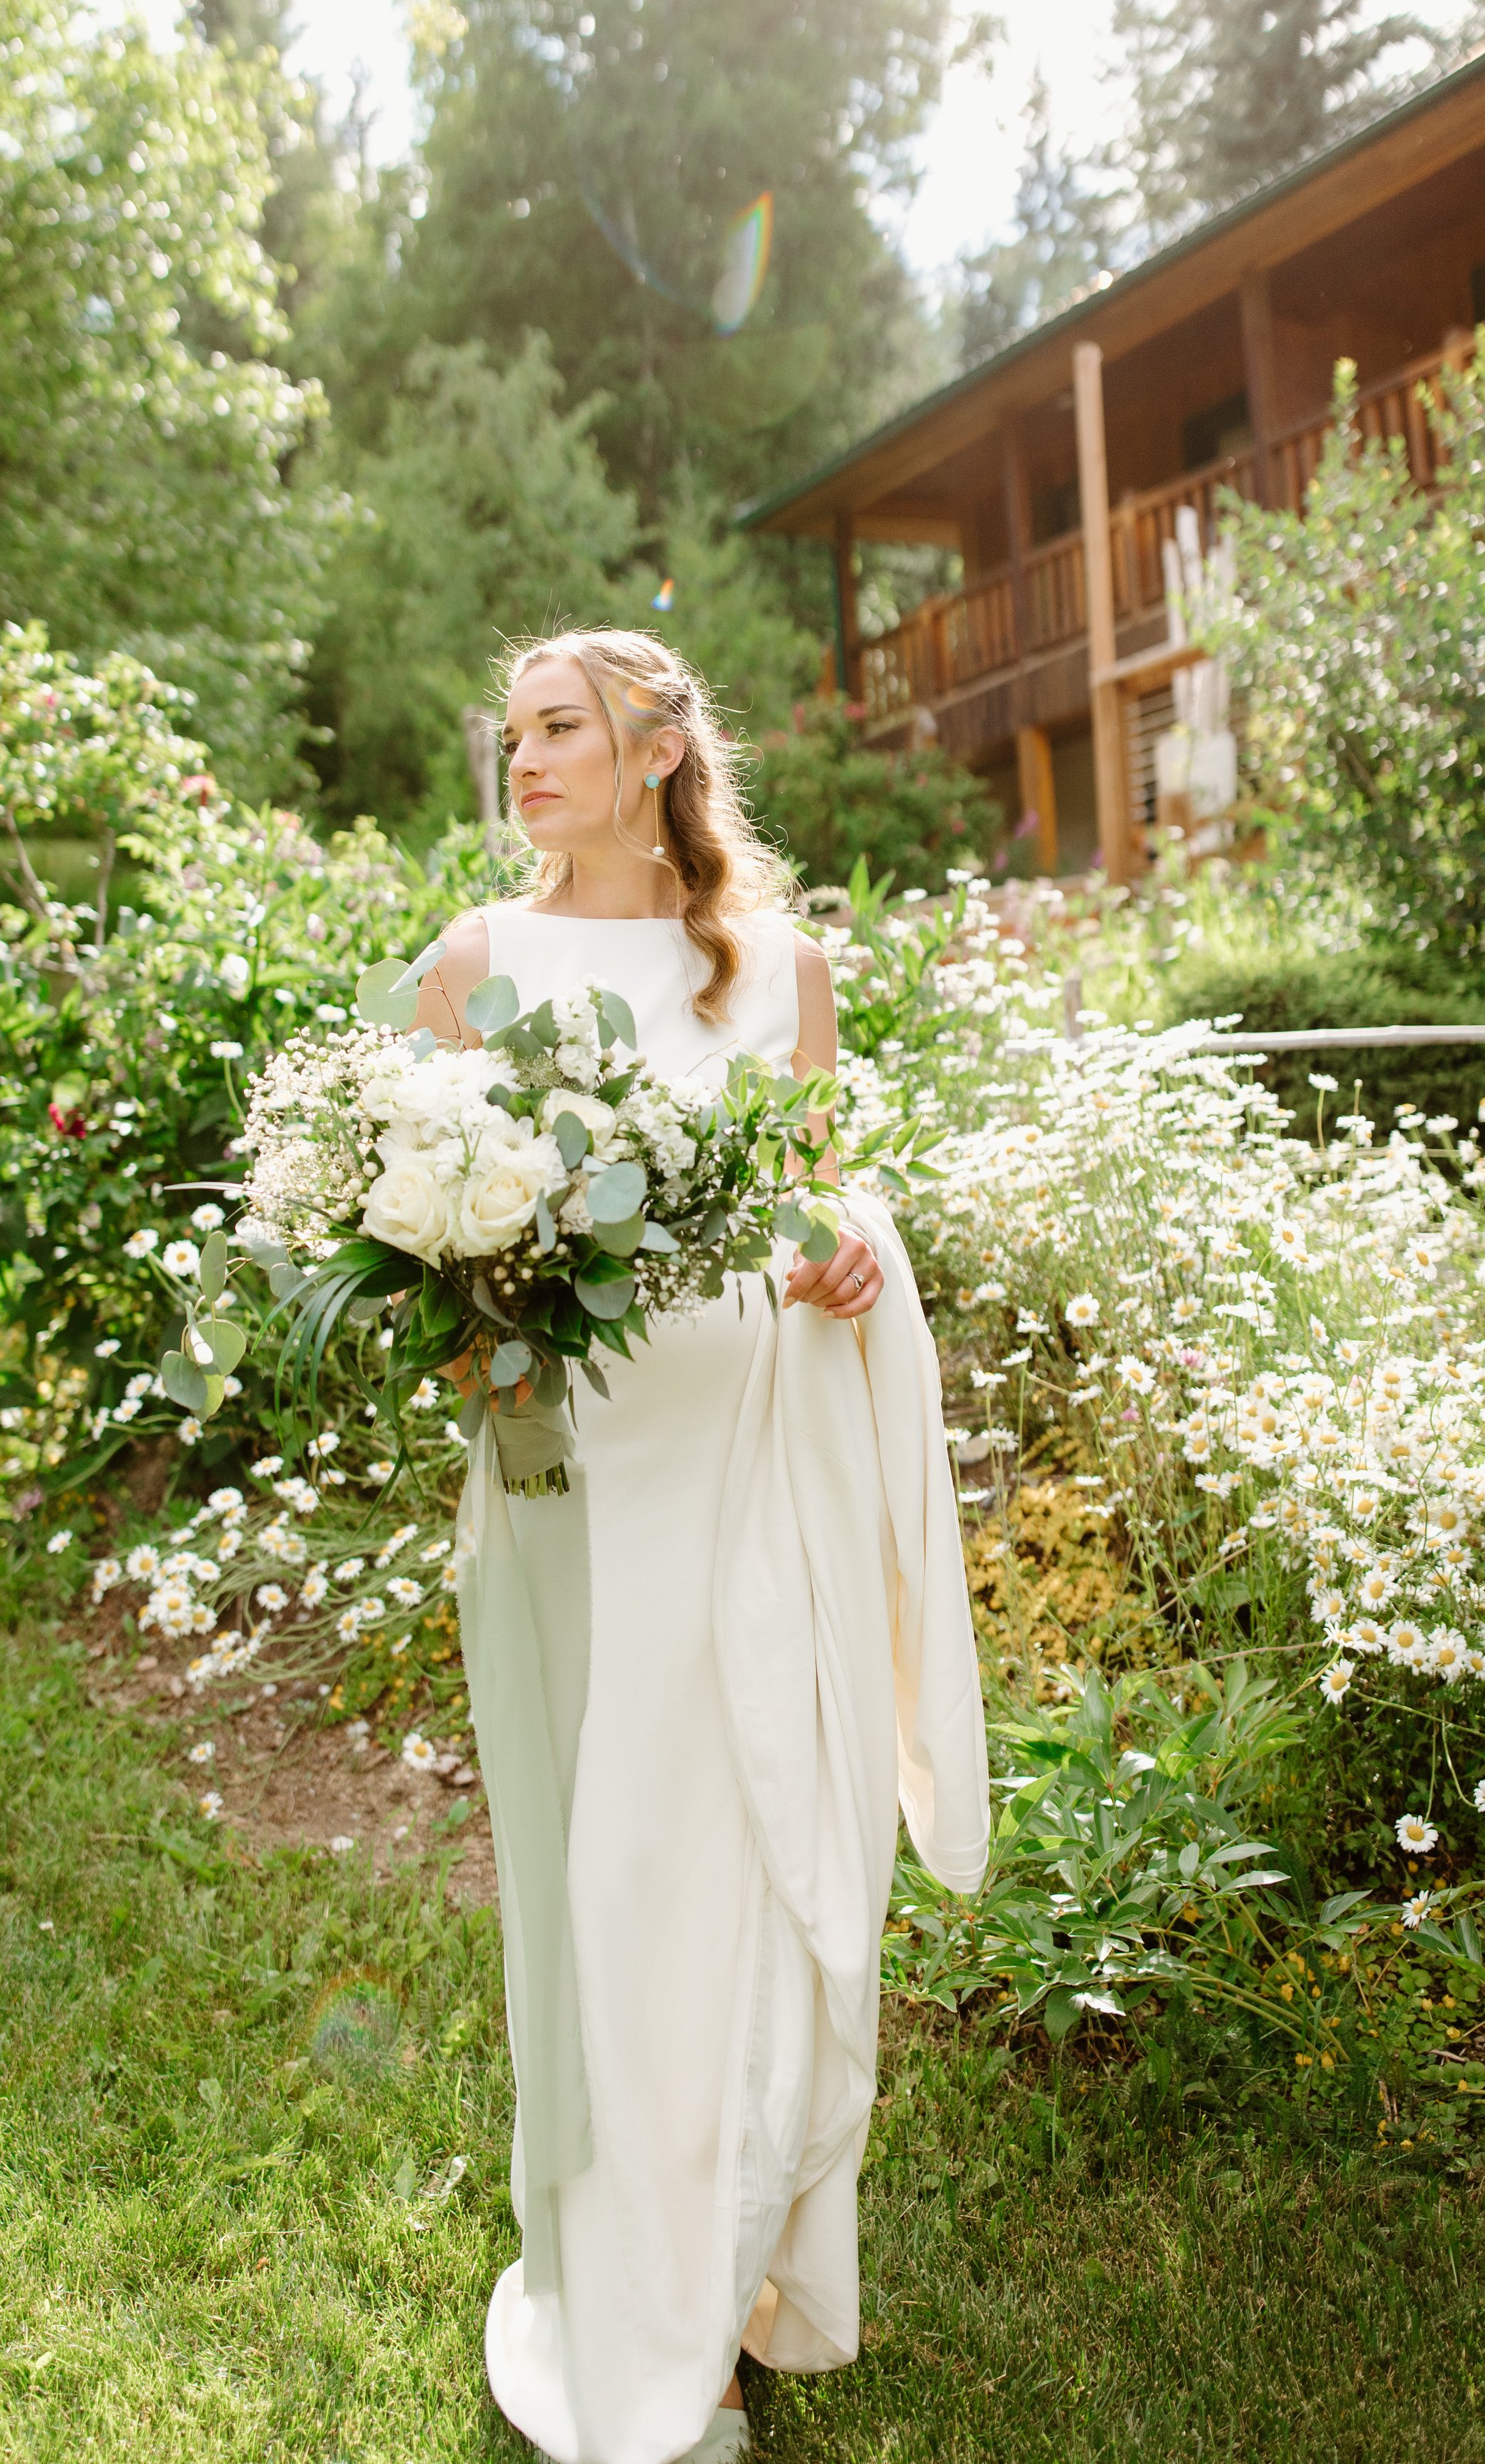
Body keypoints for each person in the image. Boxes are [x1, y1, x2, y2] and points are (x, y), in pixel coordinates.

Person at [414, 629, 988, 2464]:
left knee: (742, 1878)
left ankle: (728, 2278)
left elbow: (820, 1198)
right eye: (511, 737)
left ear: (656, 745)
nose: (525, 762)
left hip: (749, 1480)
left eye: (558, 729)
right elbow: (419, 1257)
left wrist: (849, 1257)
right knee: (609, 1891)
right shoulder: (473, 968)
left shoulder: (780, 971)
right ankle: (621, 2292)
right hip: (572, 1496)